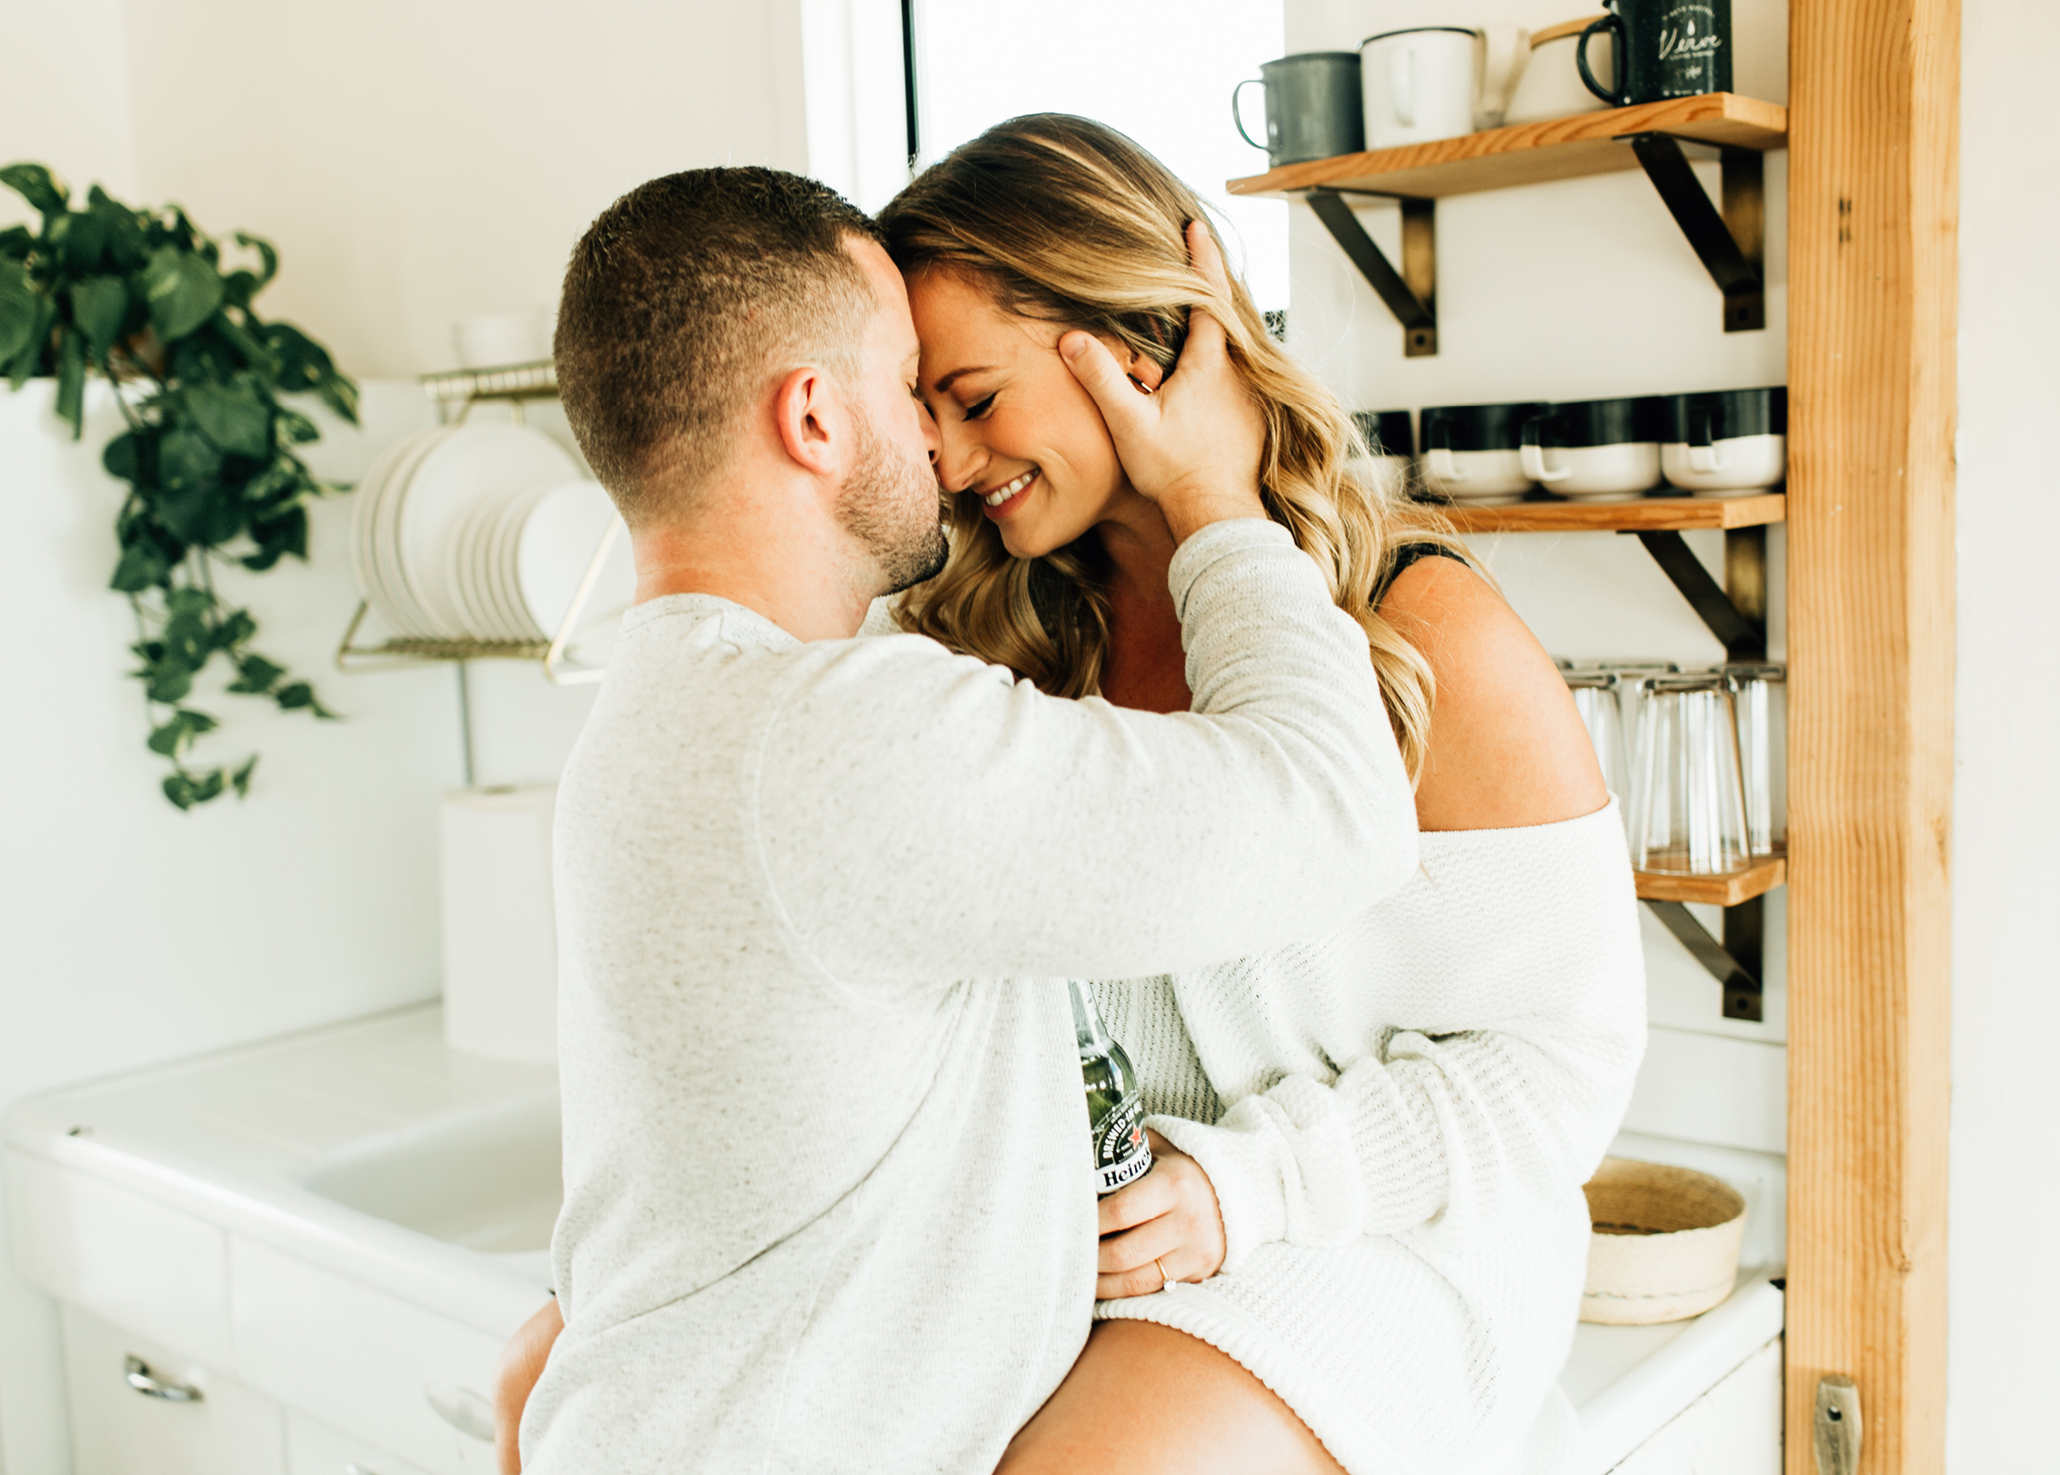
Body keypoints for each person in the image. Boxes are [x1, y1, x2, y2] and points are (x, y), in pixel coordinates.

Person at [510, 165, 1424, 1475]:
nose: (936, 446)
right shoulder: (843, 735)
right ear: (815, 418)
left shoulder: (649, 716)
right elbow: (1340, 812)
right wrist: (1215, 495)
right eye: (905, 386)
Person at [874, 115, 1647, 1475]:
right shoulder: (986, 638)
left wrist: (1252, 1188)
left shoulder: (1427, 639)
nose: (943, 456)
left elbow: (1560, 1071)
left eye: (975, 398)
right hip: (1099, 1239)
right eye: (916, 410)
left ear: (1144, 345)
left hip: (1382, 1235)